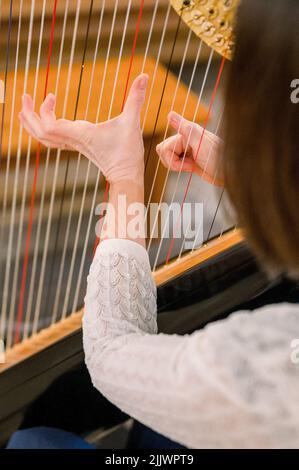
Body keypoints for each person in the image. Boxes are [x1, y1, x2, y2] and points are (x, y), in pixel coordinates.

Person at [14, 0, 299, 448]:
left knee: (36, 440)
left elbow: (110, 352)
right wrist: (243, 170)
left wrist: (124, 174)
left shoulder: (269, 365)